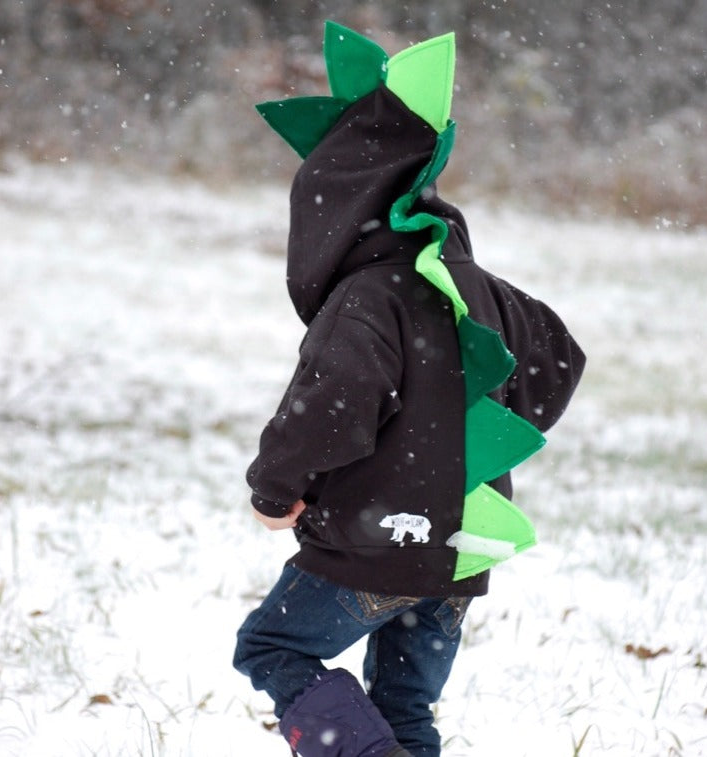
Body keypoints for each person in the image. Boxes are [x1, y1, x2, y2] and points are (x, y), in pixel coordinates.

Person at [233, 22, 585, 757]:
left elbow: (330, 402)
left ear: (330, 211)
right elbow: (556, 357)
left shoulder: (369, 295)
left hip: (375, 541)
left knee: (273, 647)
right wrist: (456, 444)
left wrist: (276, 488)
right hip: (460, 548)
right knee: (403, 702)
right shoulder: (476, 287)